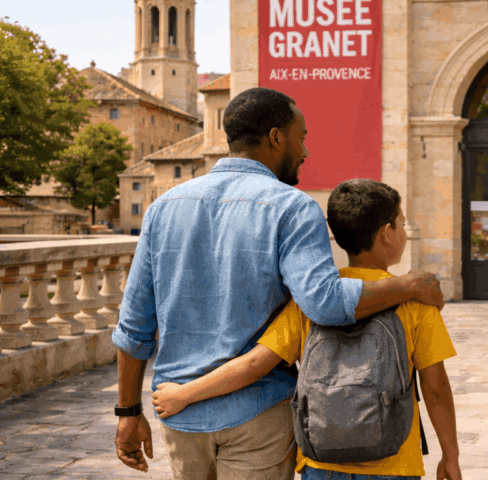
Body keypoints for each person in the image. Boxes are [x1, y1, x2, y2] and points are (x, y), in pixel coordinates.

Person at [112, 88, 445, 479]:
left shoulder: (162, 209)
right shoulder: (292, 207)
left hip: (180, 415)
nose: (305, 151)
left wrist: (127, 412)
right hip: (259, 414)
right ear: (275, 138)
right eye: (301, 138)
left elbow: (134, 328)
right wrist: (411, 284)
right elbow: (324, 303)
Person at [151, 178, 462, 480]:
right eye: (401, 224)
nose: (404, 232)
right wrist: (450, 457)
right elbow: (435, 389)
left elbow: (254, 364)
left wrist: (184, 394)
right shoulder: (415, 302)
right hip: (394, 463)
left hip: (322, 461)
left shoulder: (310, 302)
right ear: (386, 233)